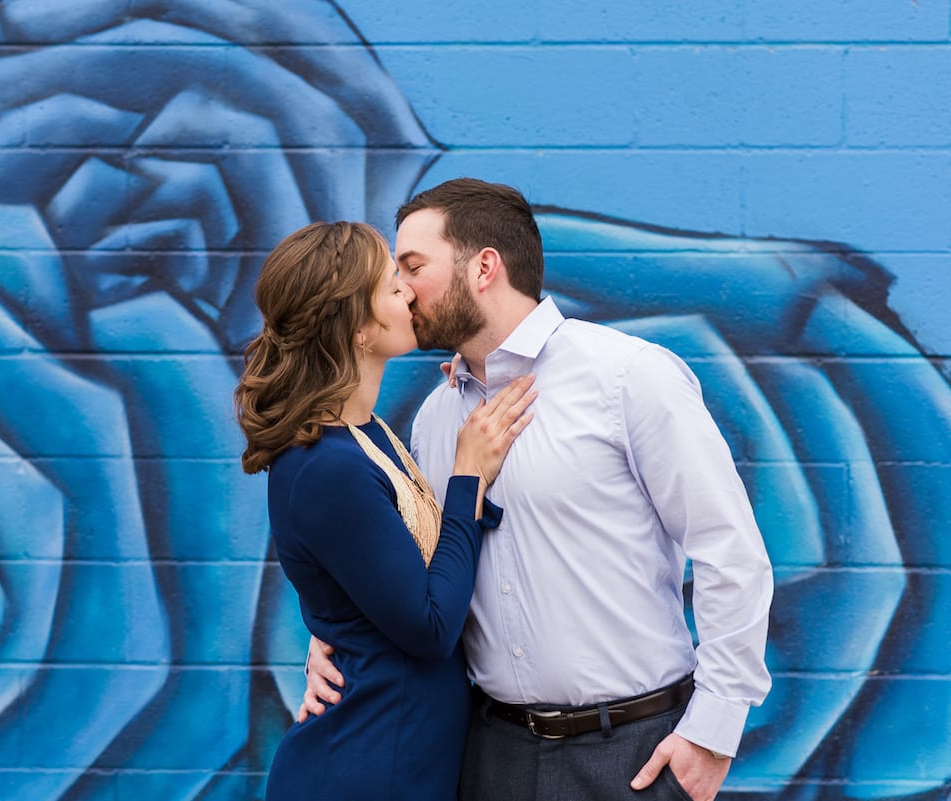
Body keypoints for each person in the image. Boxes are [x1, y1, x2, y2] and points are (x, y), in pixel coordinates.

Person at [301, 179, 774, 801]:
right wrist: (334, 630)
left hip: (635, 753)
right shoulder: (437, 417)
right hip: (490, 754)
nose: (402, 289)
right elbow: (416, 562)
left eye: (414, 266)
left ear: (484, 268)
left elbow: (729, 550)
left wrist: (713, 732)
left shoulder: (628, 377)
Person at [234, 220, 537, 800]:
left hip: (399, 757)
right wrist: (467, 474)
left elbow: (382, 581)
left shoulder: (366, 433)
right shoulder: (327, 466)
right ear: (354, 328)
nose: (407, 290)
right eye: (389, 283)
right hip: (366, 769)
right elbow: (428, 627)